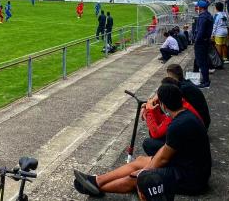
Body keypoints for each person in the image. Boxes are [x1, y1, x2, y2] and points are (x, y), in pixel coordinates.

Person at [73, 84, 211, 197]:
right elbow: (165, 150)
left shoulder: (178, 125)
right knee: (139, 161)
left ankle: (96, 188)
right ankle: (97, 180)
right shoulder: (185, 116)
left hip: (191, 178)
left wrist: (144, 172)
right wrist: (145, 166)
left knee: (137, 179)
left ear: (163, 104)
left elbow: (163, 158)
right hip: (187, 164)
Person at [141, 77, 204, 156]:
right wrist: (154, 109)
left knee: (148, 143)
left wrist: (149, 111)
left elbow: (156, 133)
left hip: (190, 155)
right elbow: (163, 121)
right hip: (195, 147)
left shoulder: (178, 114)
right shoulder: (181, 103)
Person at [166, 64, 210, 129]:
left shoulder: (183, 89)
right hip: (201, 121)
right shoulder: (185, 83)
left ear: (172, 77)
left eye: (168, 76)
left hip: (200, 124)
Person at [194, 0, 214, 88]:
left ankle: (205, 81)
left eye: (197, 6)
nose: (196, 7)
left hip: (201, 43)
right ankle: (205, 80)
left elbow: (200, 32)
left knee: (202, 62)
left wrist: (196, 41)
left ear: (201, 8)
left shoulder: (202, 17)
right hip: (205, 41)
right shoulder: (208, 15)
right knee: (204, 61)